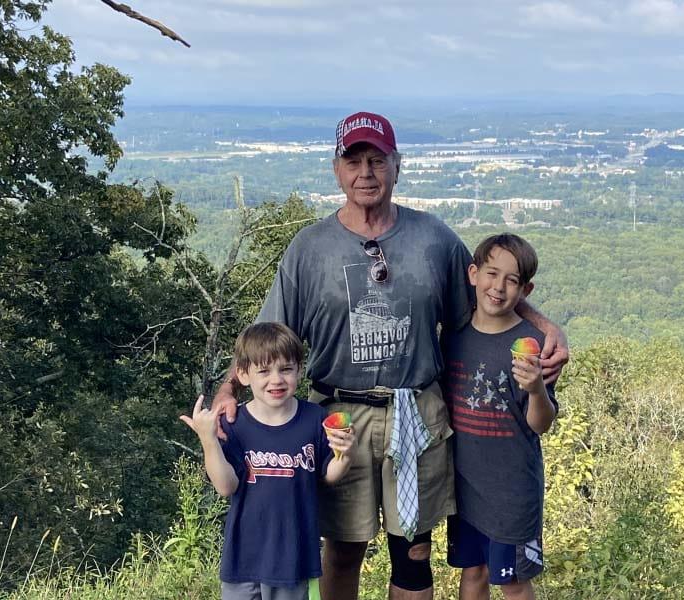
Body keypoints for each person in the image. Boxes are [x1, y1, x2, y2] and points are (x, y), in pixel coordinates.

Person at [213, 111, 569, 600]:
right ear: (336, 169)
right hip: (338, 416)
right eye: (353, 160)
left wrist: (546, 326)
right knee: (341, 548)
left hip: (416, 409)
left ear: (397, 167)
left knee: (413, 551)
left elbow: (489, 288)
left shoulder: (433, 239)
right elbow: (268, 336)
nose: (366, 173)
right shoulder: (310, 248)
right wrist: (228, 390)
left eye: (377, 160)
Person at [181, 322, 355, 600]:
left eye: (285, 369)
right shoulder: (234, 424)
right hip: (242, 559)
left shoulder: (315, 419)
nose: (276, 380)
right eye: (264, 371)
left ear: (299, 368)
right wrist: (208, 441)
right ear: (243, 374)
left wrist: (344, 453)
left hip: (292, 562)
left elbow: (330, 475)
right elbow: (226, 486)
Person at [441, 233, 557, 600]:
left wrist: (537, 388)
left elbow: (541, 424)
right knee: (472, 572)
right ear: (473, 274)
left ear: (526, 289)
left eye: (512, 280)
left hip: (511, 493)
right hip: (463, 487)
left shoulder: (531, 344)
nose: (499, 287)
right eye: (492, 273)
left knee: (512, 581)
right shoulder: (452, 336)